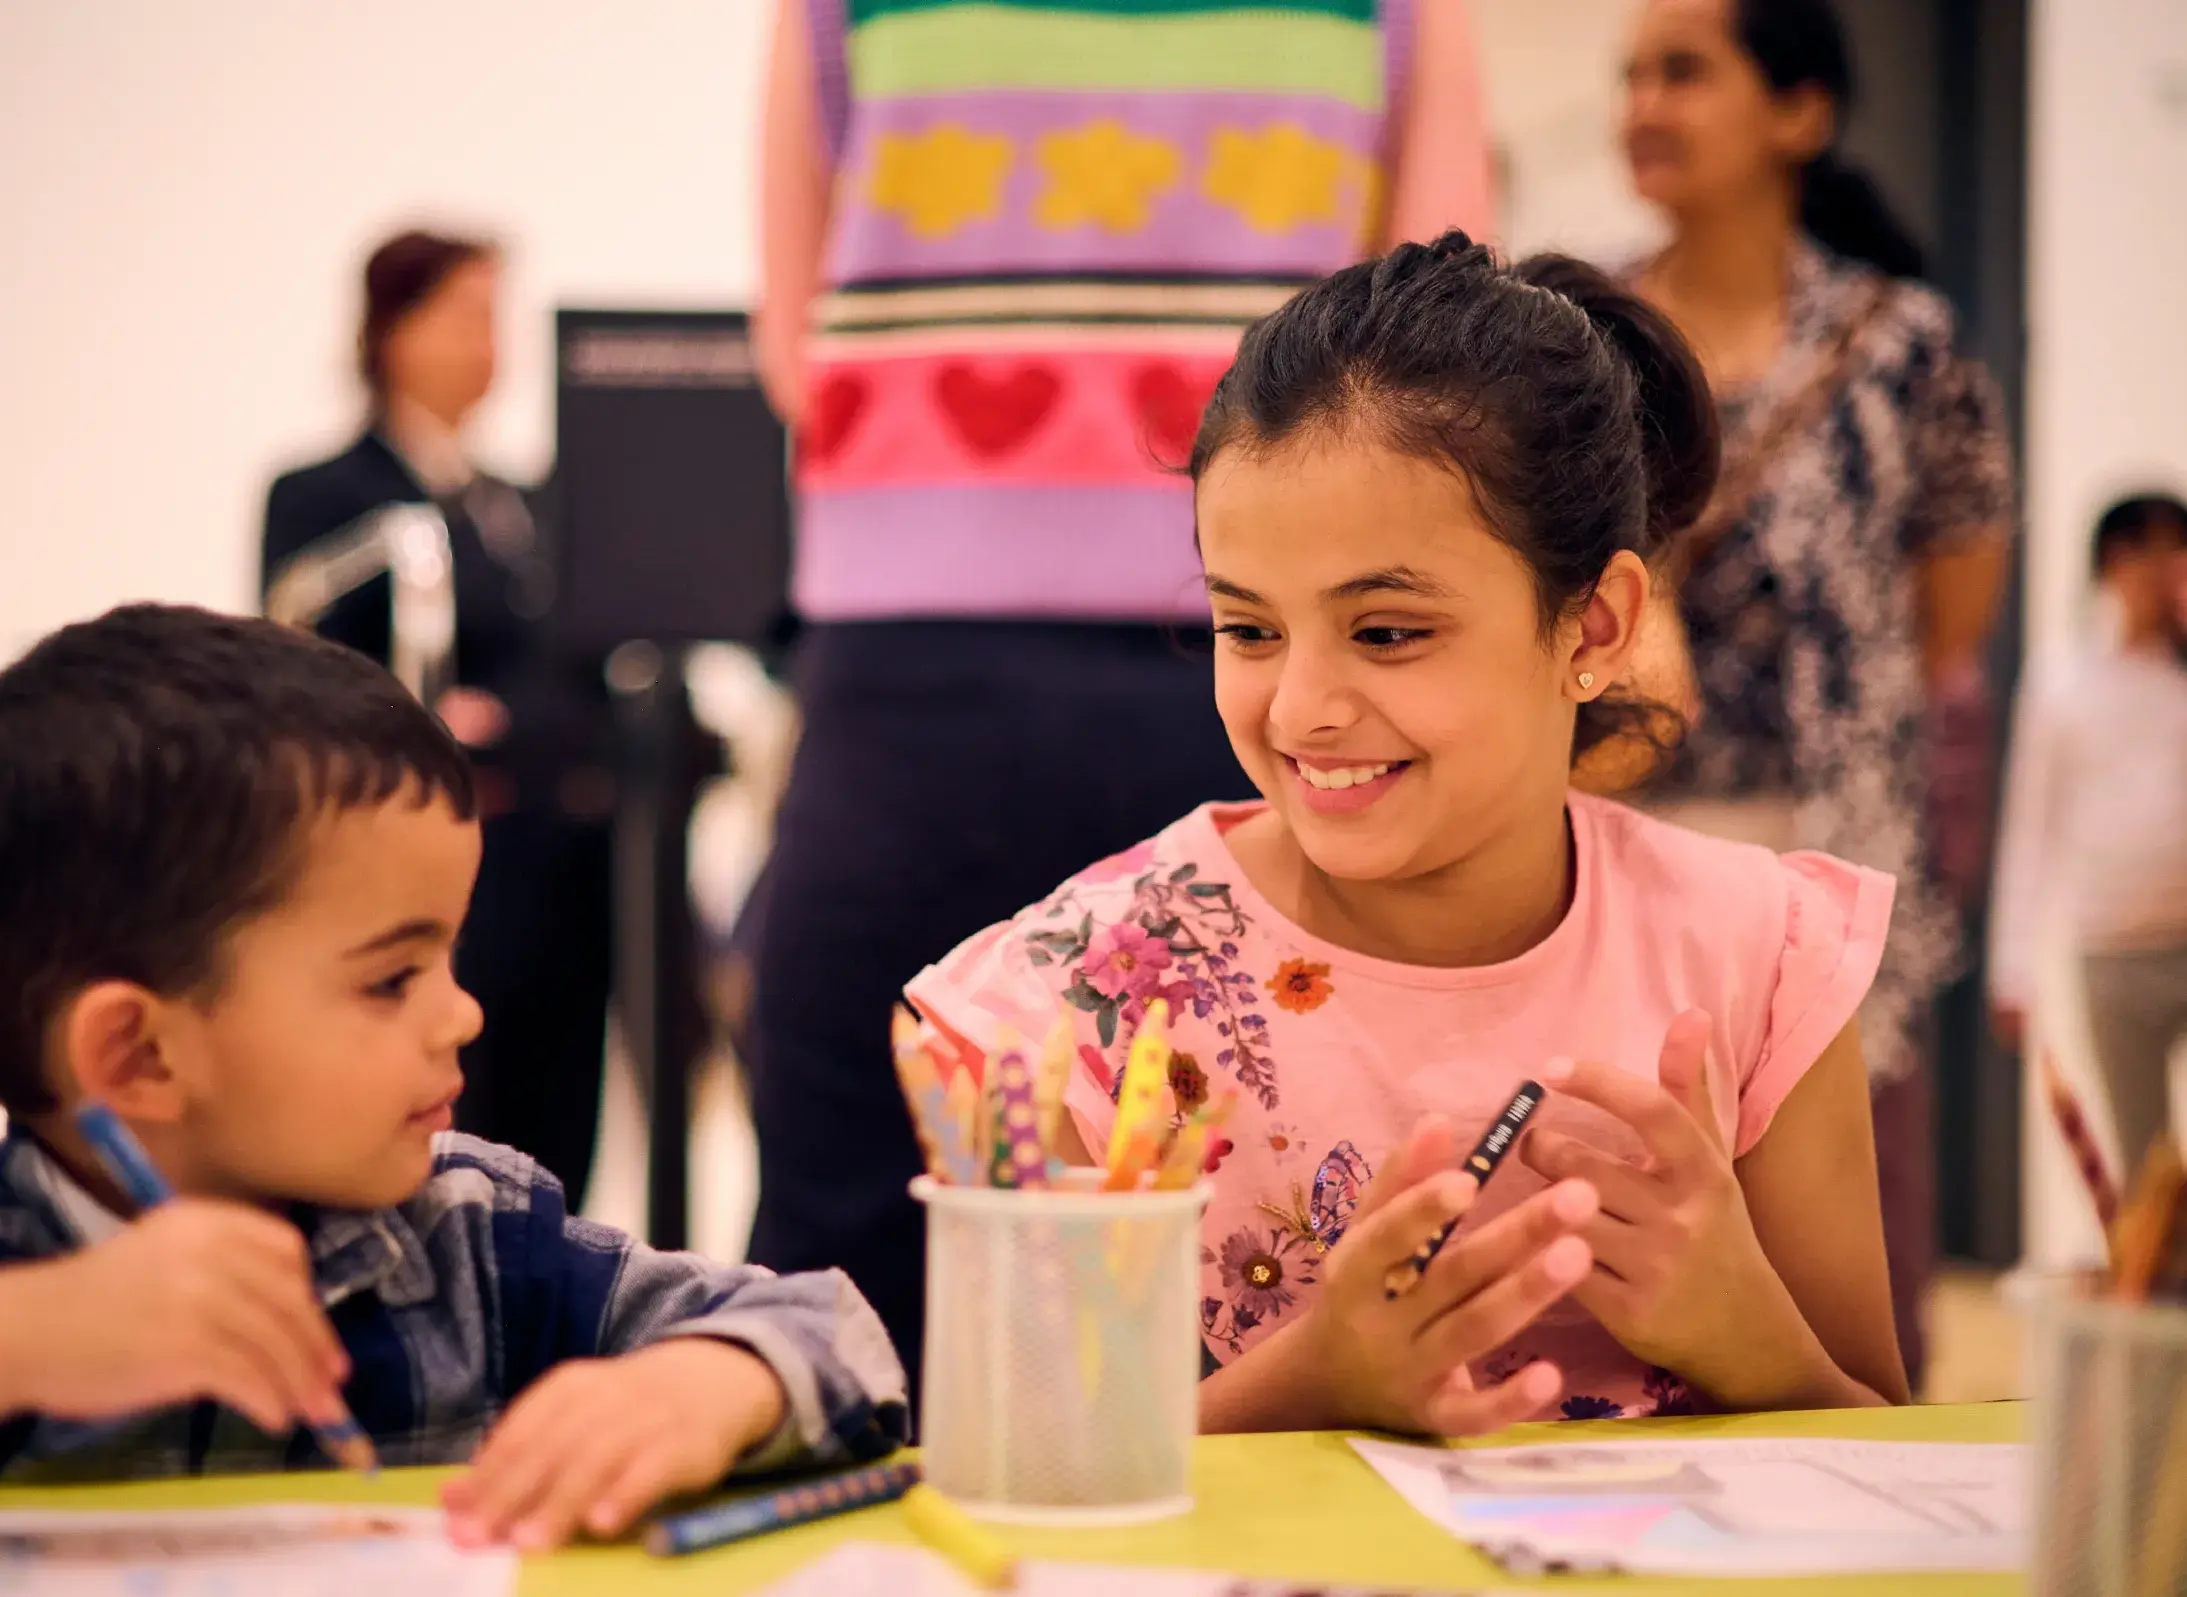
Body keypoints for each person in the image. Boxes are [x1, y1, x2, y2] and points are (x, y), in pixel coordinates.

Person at [909, 237, 1908, 1431]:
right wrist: (1316, 1378)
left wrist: (1749, 1334)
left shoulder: (1760, 957)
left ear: (1593, 624)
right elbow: (1029, 1475)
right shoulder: (1091, 996)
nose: (1300, 709)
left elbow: (1882, 1446)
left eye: (1384, 632)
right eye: (1249, 629)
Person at [746, 0, 1499, 1390]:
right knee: (1242, 1194)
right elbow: (1441, 319)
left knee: (860, 1213)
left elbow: (793, 340)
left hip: (953, 636)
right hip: (1252, 631)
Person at [0, 607, 905, 1536]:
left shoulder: (473, 1237)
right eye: (390, 978)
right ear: (138, 1052)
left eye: (449, 956)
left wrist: (706, 1384)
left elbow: (840, 1331)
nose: (462, 1011)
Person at [1613, 0, 2013, 1384]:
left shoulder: (1900, 344)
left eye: (1682, 72)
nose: (1641, 108)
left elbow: (1949, 611)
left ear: (1797, 111)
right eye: (1628, 78)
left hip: (1822, 846)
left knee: (1845, 1233)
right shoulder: (1575, 334)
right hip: (1614, 835)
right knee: (1617, 1180)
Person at [262, 231, 614, 1211]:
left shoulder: (527, 500)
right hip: (441, 866)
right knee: (459, 1122)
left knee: (560, 1129)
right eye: (464, 316)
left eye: (496, 319)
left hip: (564, 864)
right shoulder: (327, 498)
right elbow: (304, 671)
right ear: (391, 330)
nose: (489, 344)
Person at [1990, 495, 2187, 1184]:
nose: (2162, 570)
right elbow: (2028, 824)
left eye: (2175, 550)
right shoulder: (2061, 677)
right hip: (2111, 948)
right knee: (2145, 1159)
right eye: (2145, 551)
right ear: (2109, 563)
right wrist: (2011, 965)